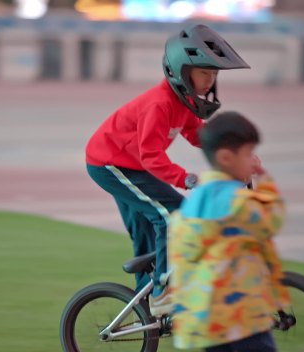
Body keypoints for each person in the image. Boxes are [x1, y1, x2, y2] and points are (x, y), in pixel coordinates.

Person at [85, 24, 250, 315]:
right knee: (173, 214)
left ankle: (143, 305)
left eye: (213, 75)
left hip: (131, 166)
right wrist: (184, 178)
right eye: (204, 73)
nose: (209, 82)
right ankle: (163, 290)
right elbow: (151, 155)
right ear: (182, 71)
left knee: (148, 231)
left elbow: (199, 135)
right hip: (110, 164)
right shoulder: (159, 104)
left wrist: (235, 157)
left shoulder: (182, 104)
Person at [168, 111, 291, 352]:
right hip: (234, 309)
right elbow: (272, 220)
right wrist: (265, 179)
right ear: (226, 158)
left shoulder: (194, 200)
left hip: (201, 309)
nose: (253, 161)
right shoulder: (238, 202)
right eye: (249, 154)